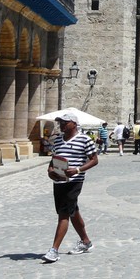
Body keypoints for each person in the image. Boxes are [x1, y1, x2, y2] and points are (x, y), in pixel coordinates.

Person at [42, 111, 99, 263]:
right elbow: (54, 158)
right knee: (73, 211)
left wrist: (78, 170)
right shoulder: (58, 140)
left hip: (74, 181)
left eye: (65, 122)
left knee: (64, 214)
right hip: (59, 181)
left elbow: (94, 160)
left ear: (74, 123)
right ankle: (86, 242)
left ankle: (54, 250)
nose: (61, 125)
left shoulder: (84, 139)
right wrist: (50, 170)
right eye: (60, 122)